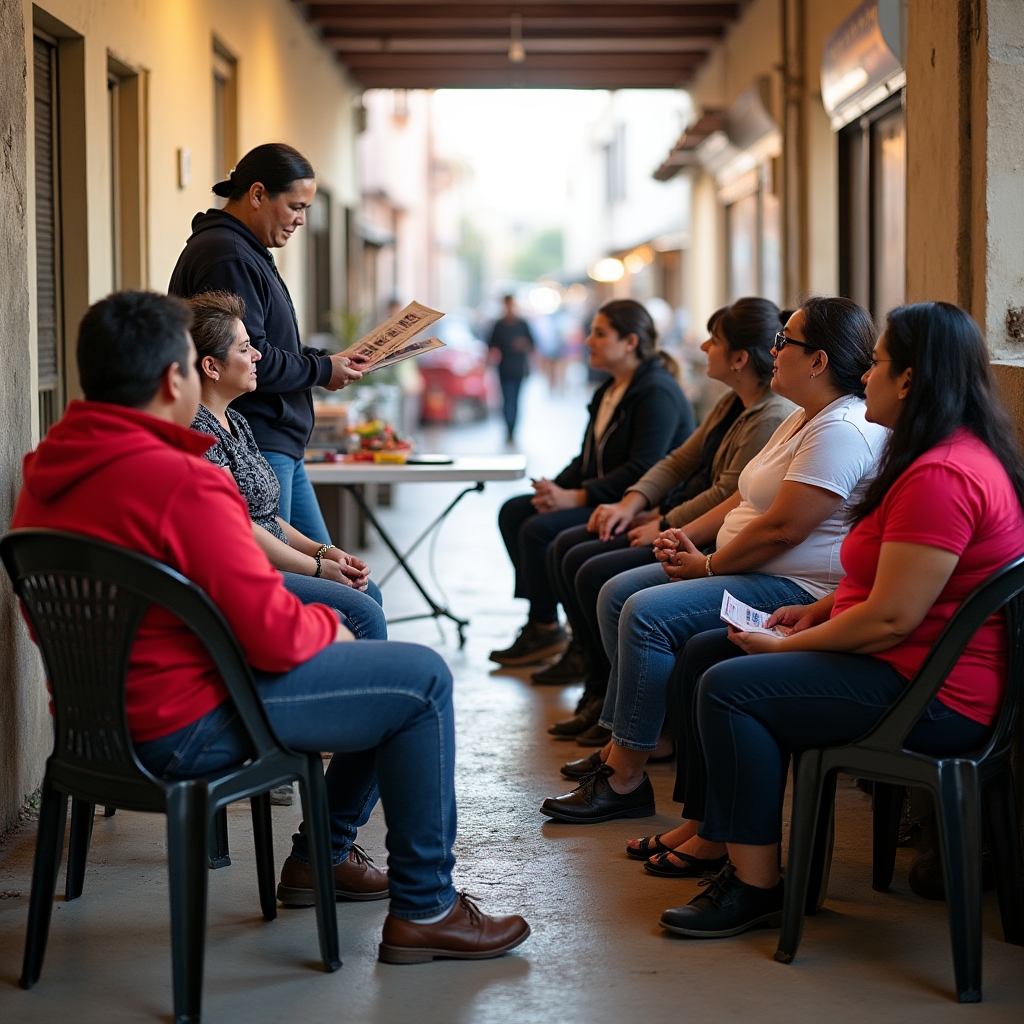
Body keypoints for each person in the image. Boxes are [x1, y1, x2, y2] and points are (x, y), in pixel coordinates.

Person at [12, 291, 529, 962]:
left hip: (96, 726)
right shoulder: (178, 479)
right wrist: (329, 634)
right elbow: (272, 634)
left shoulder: (46, 469)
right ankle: (422, 905)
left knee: (381, 671)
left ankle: (325, 858)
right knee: (419, 680)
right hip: (183, 727)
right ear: (176, 378)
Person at [647, 301, 1024, 938]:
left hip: (933, 695)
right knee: (712, 652)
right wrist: (815, 610)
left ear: (908, 379)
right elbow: (885, 577)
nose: (865, 376)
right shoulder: (931, 453)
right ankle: (719, 836)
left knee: (731, 687)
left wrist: (783, 647)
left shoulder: (943, 474)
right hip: (908, 665)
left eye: (877, 364)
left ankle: (753, 884)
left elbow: (891, 619)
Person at [541, 296, 887, 823]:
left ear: (818, 360)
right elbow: (742, 498)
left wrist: (707, 566)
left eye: (783, 341)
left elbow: (782, 529)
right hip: (746, 567)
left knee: (645, 612)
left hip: (796, 587)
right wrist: (684, 533)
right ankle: (631, 739)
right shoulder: (802, 418)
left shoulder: (841, 429)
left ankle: (625, 776)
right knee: (616, 593)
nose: (774, 352)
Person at [540, 300, 796, 753]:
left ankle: (631, 723)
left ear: (738, 358)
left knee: (595, 569)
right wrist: (631, 504)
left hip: (713, 540)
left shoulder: (772, 415)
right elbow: (676, 462)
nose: (702, 346)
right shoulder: (730, 405)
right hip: (694, 529)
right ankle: (610, 704)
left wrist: (661, 522)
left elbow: (729, 494)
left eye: (713, 340)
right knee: (573, 549)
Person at [169, 143, 362, 545]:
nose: (301, 220)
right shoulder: (228, 254)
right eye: (295, 206)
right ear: (257, 195)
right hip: (257, 441)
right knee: (296, 587)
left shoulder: (242, 249)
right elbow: (251, 357)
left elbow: (264, 345)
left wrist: (328, 361)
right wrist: (324, 370)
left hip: (273, 443)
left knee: (338, 578)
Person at [492, 299, 695, 668]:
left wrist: (578, 496)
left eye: (600, 333)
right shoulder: (609, 390)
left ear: (630, 342)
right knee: (515, 510)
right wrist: (554, 488)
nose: (588, 341)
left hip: (641, 504)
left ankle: (563, 635)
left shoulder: (656, 391)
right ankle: (545, 623)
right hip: (607, 496)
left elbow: (645, 468)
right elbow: (587, 460)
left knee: (538, 530)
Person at [186, 291, 385, 631]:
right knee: (360, 612)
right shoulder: (198, 431)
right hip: (244, 572)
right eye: (244, 348)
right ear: (211, 366)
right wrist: (319, 569)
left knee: (369, 593)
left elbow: (267, 517)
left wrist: (324, 551)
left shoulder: (236, 421)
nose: (257, 355)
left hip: (269, 557)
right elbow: (238, 526)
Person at [488, 295, 535, 443]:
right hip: (504, 368)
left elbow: (532, 344)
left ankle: (513, 430)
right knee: (506, 400)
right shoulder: (499, 325)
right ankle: (508, 429)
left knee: (515, 401)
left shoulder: (522, 324)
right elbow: (490, 346)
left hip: (518, 368)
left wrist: (523, 345)